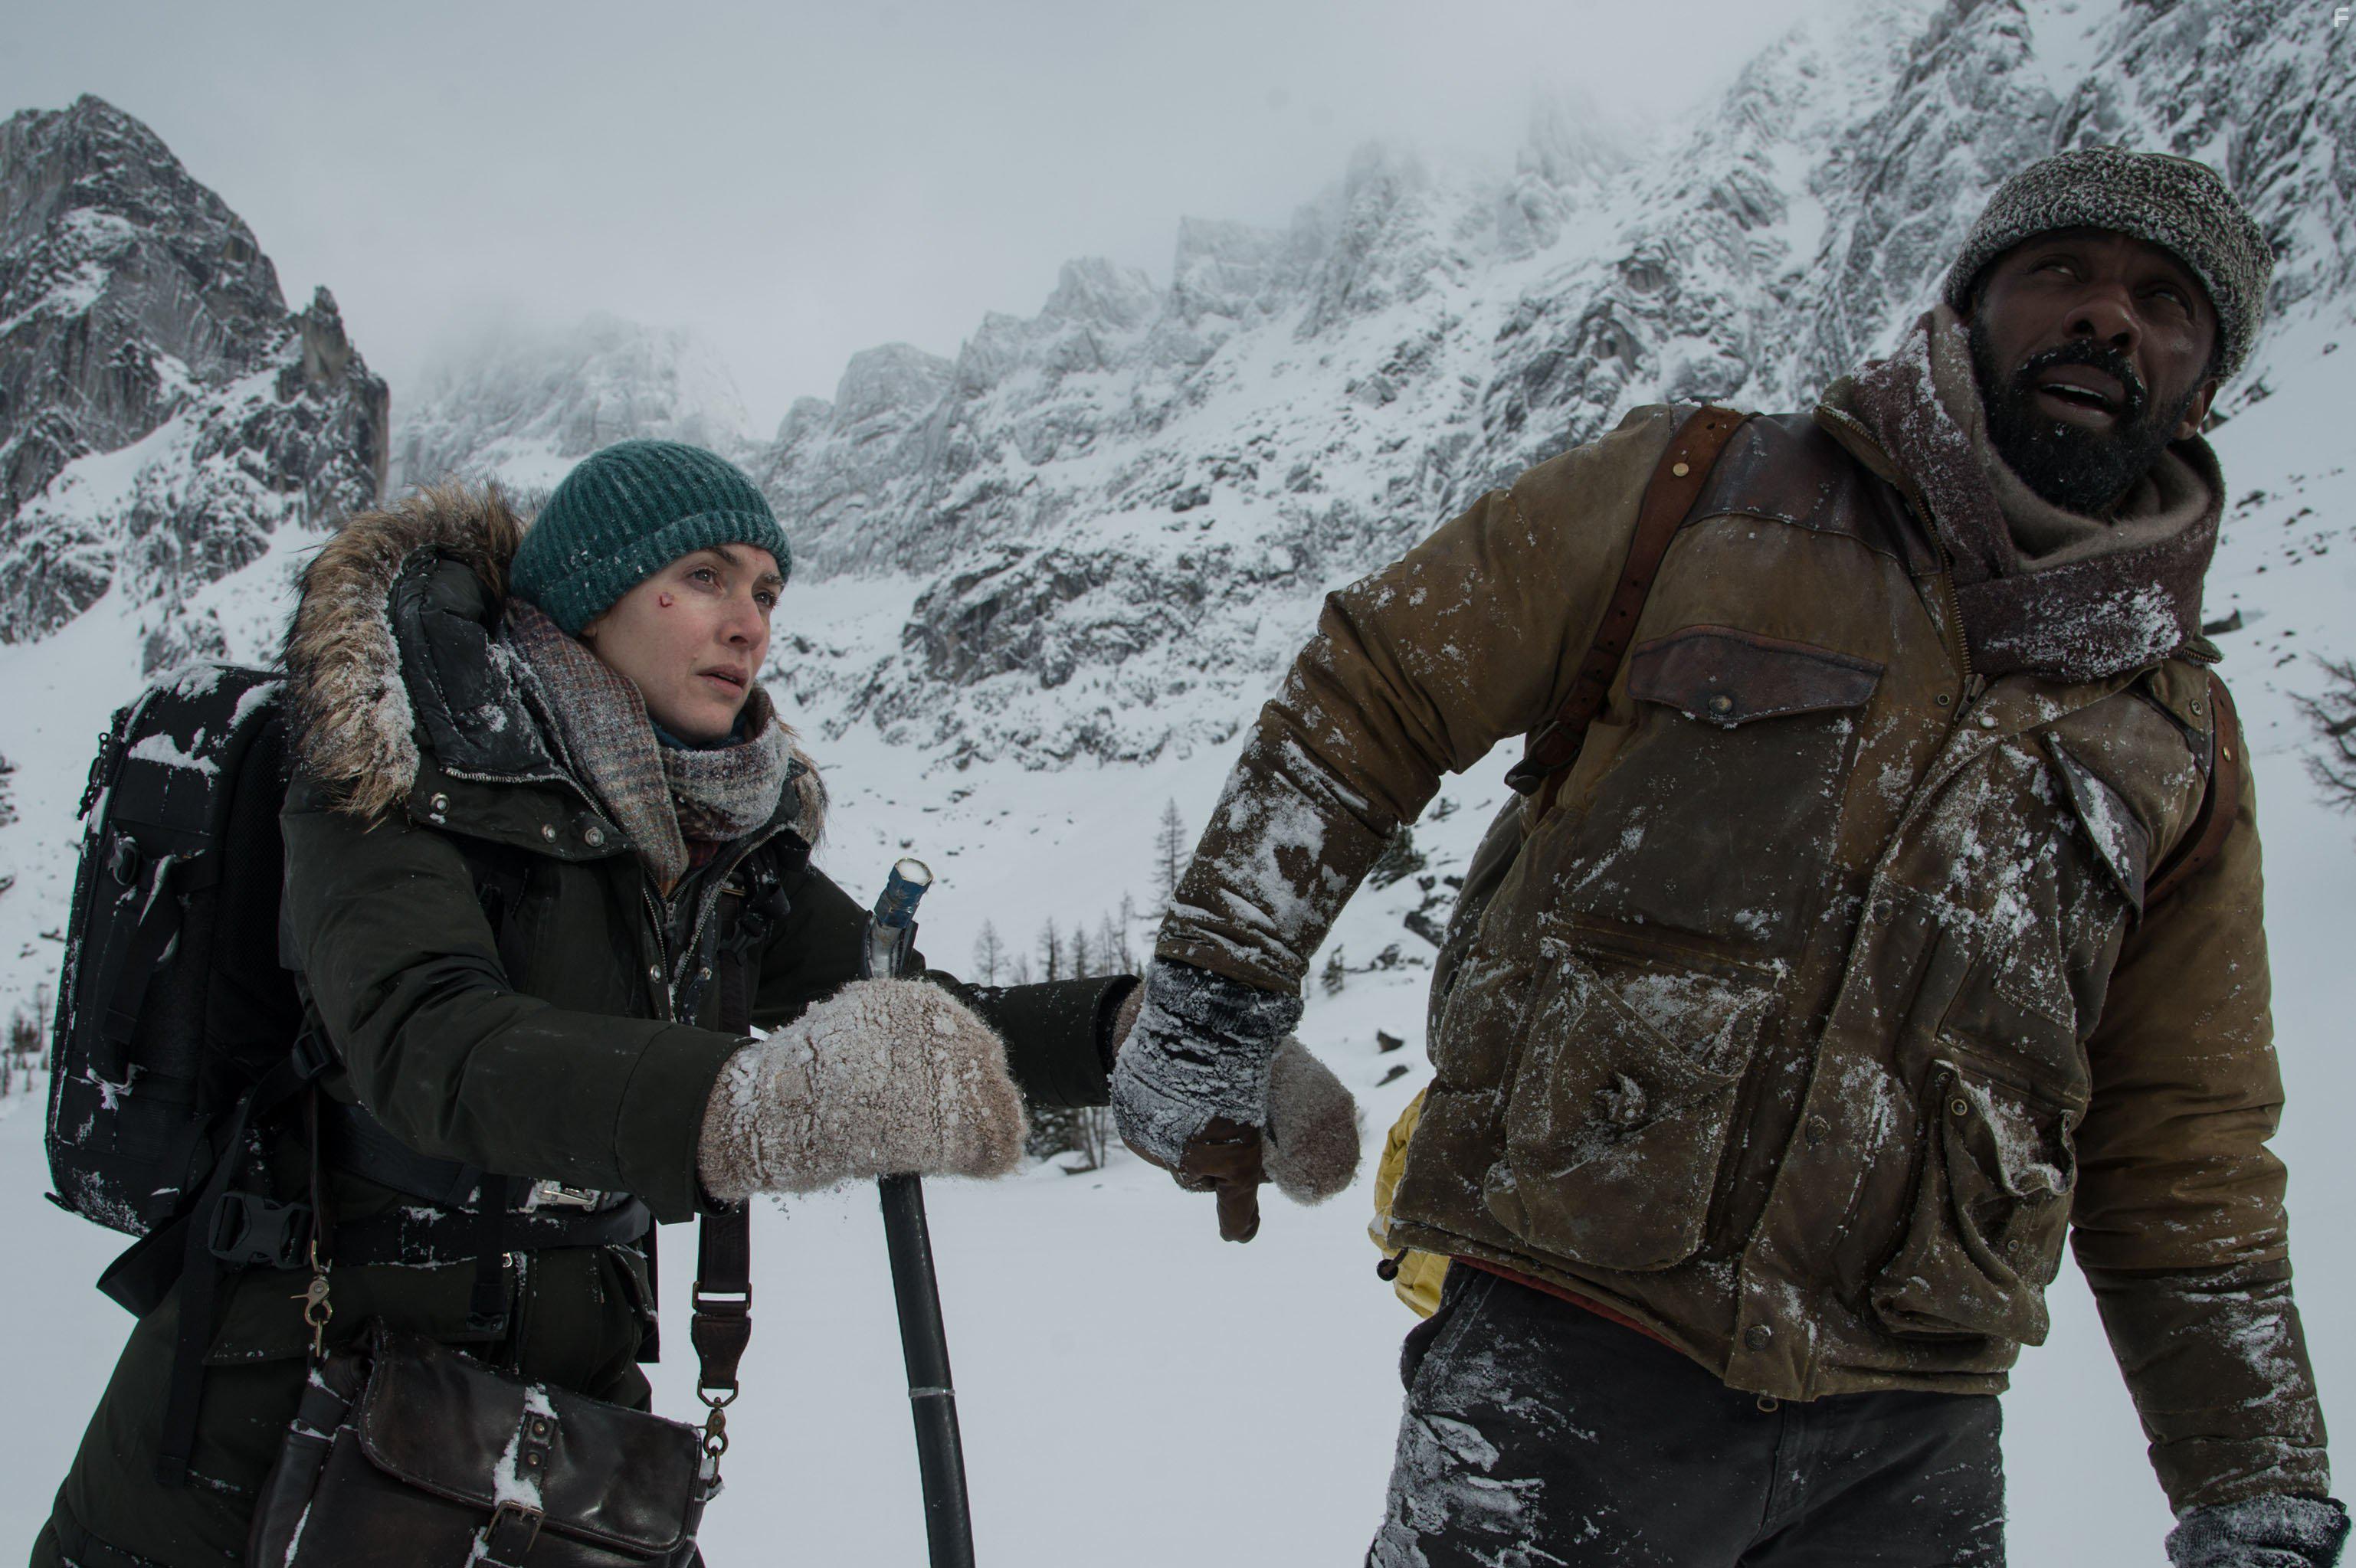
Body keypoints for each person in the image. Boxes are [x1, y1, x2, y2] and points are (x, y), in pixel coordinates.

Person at [1112, 148, 2347, 1566]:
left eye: (2165, 302)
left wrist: (2254, 1480)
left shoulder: (2181, 743)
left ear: (2202, 388)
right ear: (1969, 306)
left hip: (1913, 1435)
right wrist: (1217, 988)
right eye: (2059, 272)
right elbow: (1380, 685)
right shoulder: (1697, 492)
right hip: (1573, 1344)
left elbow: (2183, 1147)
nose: (2108, 318)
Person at [36, 440, 1139, 1564]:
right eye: (704, 577)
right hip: (272, 1426)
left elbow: (923, 1016)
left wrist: (1135, 1042)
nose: (749, 622)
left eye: (765, 591)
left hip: (556, 1442)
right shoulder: (394, 754)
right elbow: (430, 1041)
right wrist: (757, 1104)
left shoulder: (725, 838)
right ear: (593, 594)